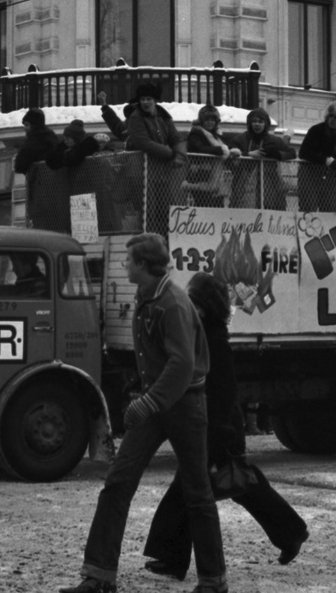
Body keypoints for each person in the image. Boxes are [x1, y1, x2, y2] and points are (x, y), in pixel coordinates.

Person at [59, 233, 227, 593]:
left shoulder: (173, 304)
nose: (124, 265)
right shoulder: (148, 295)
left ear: (144, 266)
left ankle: (214, 581)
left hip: (185, 404)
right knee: (118, 483)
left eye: (128, 260)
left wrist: (148, 403)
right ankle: (99, 576)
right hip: (158, 401)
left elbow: (182, 364)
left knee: (197, 492)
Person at [143, 272, 308, 580]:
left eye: (192, 299)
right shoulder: (204, 331)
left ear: (202, 305)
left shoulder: (211, 338)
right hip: (210, 424)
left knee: (237, 484)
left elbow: (224, 391)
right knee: (224, 485)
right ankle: (173, 557)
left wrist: (218, 431)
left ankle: (291, 532)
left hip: (216, 426)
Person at [125, 82, 187, 233]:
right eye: (143, 99)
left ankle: (166, 239)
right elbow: (143, 142)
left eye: (149, 99)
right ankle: (149, 239)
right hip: (144, 171)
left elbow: (176, 137)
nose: (145, 102)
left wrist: (179, 154)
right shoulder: (135, 117)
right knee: (148, 210)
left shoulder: (163, 116)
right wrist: (170, 154)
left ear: (155, 100)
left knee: (166, 207)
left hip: (163, 171)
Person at [226, 107, 295, 211]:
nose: (257, 124)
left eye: (260, 121)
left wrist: (275, 155)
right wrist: (248, 154)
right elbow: (228, 154)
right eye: (254, 121)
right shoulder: (241, 139)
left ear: (265, 124)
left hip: (270, 186)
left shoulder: (274, 140)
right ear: (250, 123)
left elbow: (292, 153)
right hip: (243, 185)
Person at [298, 98, 336, 213]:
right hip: (309, 173)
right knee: (308, 208)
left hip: (329, 176)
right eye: (331, 116)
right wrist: (326, 160)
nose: (332, 120)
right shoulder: (317, 130)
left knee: (329, 209)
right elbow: (303, 152)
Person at [184, 104, 240, 208]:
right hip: (200, 175)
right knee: (203, 206)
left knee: (217, 207)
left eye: (212, 120)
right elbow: (200, 149)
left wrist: (232, 151)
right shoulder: (195, 133)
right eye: (207, 120)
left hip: (217, 177)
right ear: (202, 121)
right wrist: (221, 150)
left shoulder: (217, 136)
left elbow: (228, 146)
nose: (210, 123)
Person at [13, 107, 61, 174]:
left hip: (39, 179)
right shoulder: (51, 137)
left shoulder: (34, 141)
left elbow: (20, 165)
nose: (24, 128)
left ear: (34, 126)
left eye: (27, 125)